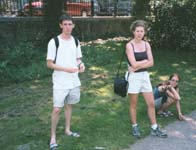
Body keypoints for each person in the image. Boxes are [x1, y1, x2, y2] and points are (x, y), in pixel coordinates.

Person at [46, 14, 85, 150]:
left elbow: (78, 58)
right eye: (65, 24)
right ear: (61, 25)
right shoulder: (54, 42)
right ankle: (52, 138)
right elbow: (49, 64)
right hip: (60, 81)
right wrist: (65, 69)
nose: (68, 27)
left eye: (70, 24)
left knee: (69, 106)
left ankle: (67, 130)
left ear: (73, 26)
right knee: (57, 109)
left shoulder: (75, 41)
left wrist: (81, 65)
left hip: (74, 80)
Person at [125, 20, 167, 138]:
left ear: (144, 32)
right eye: (137, 31)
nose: (139, 33)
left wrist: (140, 64)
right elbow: (133, 64)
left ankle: (154, 128)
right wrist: (144, 61)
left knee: (151, 103)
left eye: (141, 31)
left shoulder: (146, 44)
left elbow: (152, 62)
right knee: (134, 104)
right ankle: (135, 127)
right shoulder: (129, 45)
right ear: (133, 31)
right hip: (134, 78)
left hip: (144, 76)